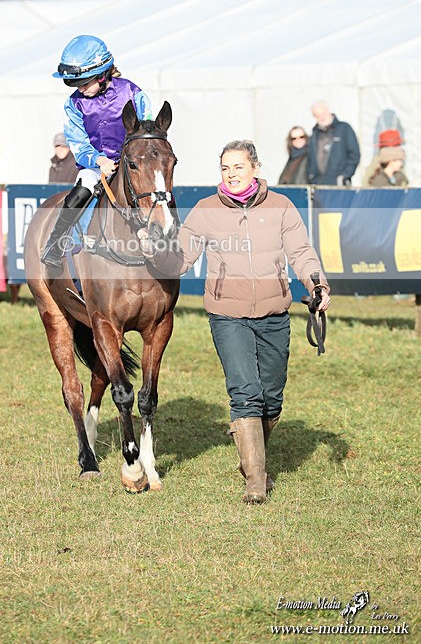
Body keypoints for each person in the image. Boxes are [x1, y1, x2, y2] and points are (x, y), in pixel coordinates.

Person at [137, 139, 330, 505]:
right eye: (225, 168)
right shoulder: (207, 210)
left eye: (238, 167)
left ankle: (254, 453)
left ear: (255, 168)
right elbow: (180, 259)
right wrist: (154, 252)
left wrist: (317, 285)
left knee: (271, 398)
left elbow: (302, 253)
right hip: (228, 315)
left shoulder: (281, 207)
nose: (231, 174)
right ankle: (255, 479)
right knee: (245, 392)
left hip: (275, 314)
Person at [40, 34, 152, 267]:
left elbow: (147, 130)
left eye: (84, 83)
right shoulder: (74, 104)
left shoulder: (132, 93)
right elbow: (77, 141)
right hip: (96, 166)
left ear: (102, 75)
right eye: (75, 84)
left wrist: (130, 161)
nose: (80, 89)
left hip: (134, 165)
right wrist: (98, 160)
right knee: (80, 192)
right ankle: (55, 242)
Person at [307, 100, 360, 185]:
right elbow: (310, 158)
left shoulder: (344, 129)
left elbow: (354, 154)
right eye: (317, 116)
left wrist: (344, 176)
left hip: (338, 185)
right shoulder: (315, 134)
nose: (321, 118)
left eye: (323, 114)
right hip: (318, 184)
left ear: (328, 111)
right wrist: (311, 176)